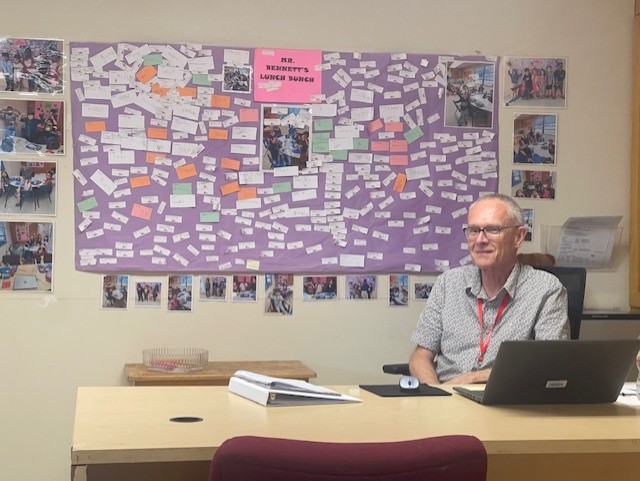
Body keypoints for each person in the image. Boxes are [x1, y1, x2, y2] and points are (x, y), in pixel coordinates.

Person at [409, 193, 569, 385]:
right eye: (474, 230)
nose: (480, 240)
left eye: (493, 229)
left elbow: (549, 364)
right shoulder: (448, 284)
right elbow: (420, 356)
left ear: (519, 237)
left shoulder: (546, 290)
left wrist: (472, 379)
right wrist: (438, 394)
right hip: (447, 403)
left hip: (506, 403)